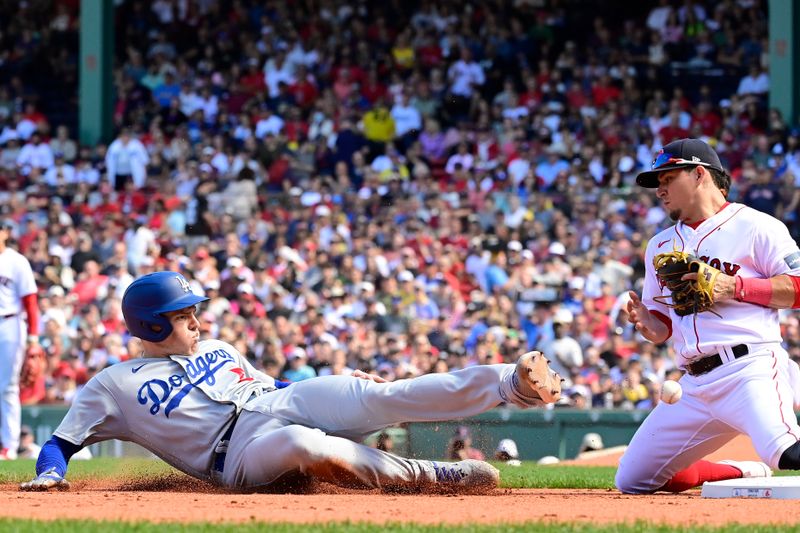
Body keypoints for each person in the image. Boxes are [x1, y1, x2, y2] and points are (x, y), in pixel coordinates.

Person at [20, 271, 563, 492]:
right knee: (305, 444)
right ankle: (435, 476)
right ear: (154, 324)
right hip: (237, 454)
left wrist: (340, 392)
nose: (198, 321)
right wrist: (49, 475)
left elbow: (272, 386)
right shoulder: (112, 384)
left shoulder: (217, 347)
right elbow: (60, 442)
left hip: (275, 398)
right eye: (186, 316)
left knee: (377, 394)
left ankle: (507, 383)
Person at [616, 138, 800, 494]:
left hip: (749, 368)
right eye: (658, 183)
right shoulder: (660, 245)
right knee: (633, 480)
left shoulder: (757, 227)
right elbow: (663, 325)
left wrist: (735, 288)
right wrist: (649, 325)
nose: (660, 190)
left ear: (699, 174)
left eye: (668, 178)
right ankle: (743, 471)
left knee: (786, 453)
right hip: (693, 386)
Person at [0, 220, 40, 460]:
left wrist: (34, 339)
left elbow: (31, 303)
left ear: (4, 233)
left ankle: (9, 446)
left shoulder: (16, 261)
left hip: (9, 324)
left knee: (7, 386)